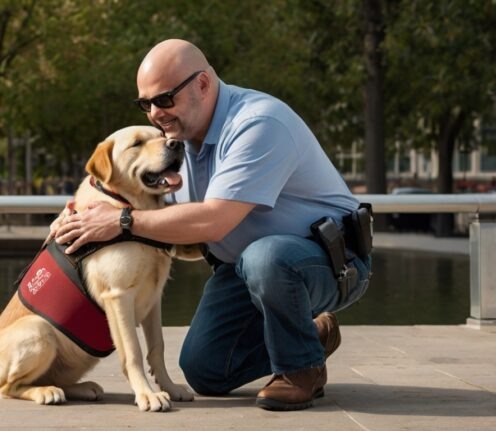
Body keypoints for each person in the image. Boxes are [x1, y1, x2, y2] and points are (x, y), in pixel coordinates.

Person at [53, 39, 371, 411]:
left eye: (164, 99)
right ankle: (312, 334)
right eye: (146, 104)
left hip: (331, 262)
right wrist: (82, 213)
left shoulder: (258, 123)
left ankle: (300, 369)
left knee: (265, 256)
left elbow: (214, 220)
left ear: (202, 84)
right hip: (245, 269)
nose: (155, 113)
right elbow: (159, 214)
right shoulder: (179, 142)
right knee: (205, 370)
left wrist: (121, 220)